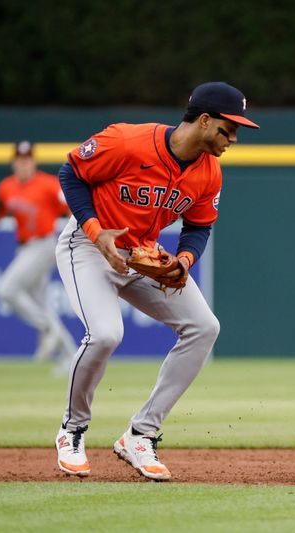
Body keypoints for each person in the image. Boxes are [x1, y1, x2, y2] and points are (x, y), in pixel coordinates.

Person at [53, 81, 260, 480]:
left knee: (203, 327)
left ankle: (140, 435)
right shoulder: (127, 141)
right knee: (105, 334)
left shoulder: (210, 174)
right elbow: (72, 173)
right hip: (89, 246)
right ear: (203, 120)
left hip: (141, 255)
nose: (233, 137)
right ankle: (72, 430)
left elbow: (198, 227)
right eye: (227, 128)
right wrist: (97, 233)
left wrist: (183, 261)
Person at [0, 140, 77, 367]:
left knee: (6, 290)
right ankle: (71, 357)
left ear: (33, 161)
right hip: (24, 247)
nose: (23, 164)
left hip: (43, 245)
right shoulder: (6, 187)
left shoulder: (49, 184)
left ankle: (46, 328)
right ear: (14, 163)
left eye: (27, 159)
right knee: (41, 304)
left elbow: (72, 205)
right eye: (20, 160)